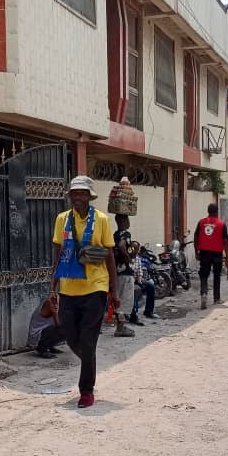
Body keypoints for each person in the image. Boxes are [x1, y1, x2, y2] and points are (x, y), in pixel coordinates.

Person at [50, 175, 119, 409]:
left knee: (88, 342)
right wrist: (53, 287)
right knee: (70, 337)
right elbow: (58, 254)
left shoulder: (101, 219)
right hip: (69, 289)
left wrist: (114, 289)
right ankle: (89, 361)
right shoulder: (62, 220)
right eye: (75, 193)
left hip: (95, 287)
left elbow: (109, 255)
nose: (78, 197)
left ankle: (86, 391)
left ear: (90, 196)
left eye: (82, 193)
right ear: (70, 196)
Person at [194, 203, 228, 310]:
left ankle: (204, 293)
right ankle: (216, 298)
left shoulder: (201, 222)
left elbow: (196, 237)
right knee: (217, 275)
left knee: (204, 275)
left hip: (204, 252)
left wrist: (196, 251)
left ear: (208, 211)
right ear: (217, 212)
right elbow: (225, 241)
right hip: (217, 254)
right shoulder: (221, 224)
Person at [111, 214, 137, 336]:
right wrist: (128, 258)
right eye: (126, 219)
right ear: (122, 221)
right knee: (125, 301)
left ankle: (120, 326)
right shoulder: (125, 234)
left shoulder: (115, 235)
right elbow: (122, 246)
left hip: (117, 272)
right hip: (126, 272)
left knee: (119, 300)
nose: (128, 222)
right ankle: (121, 328)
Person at [130, 242, 162, 323]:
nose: (137, 251)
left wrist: (140, 279)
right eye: (135, 249)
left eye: (138, 249)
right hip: (129, 280)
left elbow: (140, 271)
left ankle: (149, 311)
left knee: (150, 285)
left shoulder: (138, 258)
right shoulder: (127, 257)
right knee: (134, 289)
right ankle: (132, 315)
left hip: (137, 280)